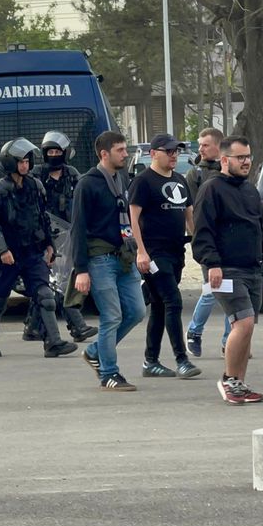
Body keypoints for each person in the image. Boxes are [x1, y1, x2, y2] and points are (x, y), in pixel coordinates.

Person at [193, 136, 263, 404]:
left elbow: (259, 228)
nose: (246, 162)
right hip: (226, 269)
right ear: (224, 160)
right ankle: (229, 380)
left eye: (248, 156)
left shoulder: (249, 190)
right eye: (240, 157)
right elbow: (202, 231)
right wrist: (212, 263)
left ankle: (239, 383)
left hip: (252, 269)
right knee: (242, 323)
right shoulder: (211, 189)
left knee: (247, 327)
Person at [0, 138, 77, 359]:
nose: (24, 165)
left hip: (32, 253)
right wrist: (3, 250)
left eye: (26, 161)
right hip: (9, 255)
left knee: (46, 296)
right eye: (20, 161)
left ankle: (53, 342)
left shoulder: (35, 186)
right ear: (10, 163)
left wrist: (49, 245)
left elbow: (43, 218)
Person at [70, 131, 145, 391]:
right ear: (104, 154)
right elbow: (77, 228)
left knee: (136, 311)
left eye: (125, 149)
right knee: (112, 316)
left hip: (124, 256)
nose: (125, 154)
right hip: (99, 259)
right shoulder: (87, 184)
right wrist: (81, 269)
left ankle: (94, 351)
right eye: (120, 150)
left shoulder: (121, 178)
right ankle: (109, 373)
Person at [128, 133, 201, 379]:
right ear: (153, 153)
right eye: (168, 151)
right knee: (173, 300)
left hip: (175, 252)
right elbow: (133, 219)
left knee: (159, 306)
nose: (173, 155)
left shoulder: (180, 180)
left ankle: (150, 361)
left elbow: (189, 216)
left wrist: (200, 245)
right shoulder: (143, 181)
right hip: (153, 254)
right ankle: (182, 360)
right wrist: (141, 251)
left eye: (176, 151)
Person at [30, 130, 97, 342]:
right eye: (50, 151)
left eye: (57, 151)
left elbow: (84, 199)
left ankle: (32, 327)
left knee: (55, 281)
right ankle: (77, 326)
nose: (53, 155)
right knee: (54, 282)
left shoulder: (72, 174)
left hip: (68, 234)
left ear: (65, 153)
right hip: (42, 235)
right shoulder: (36, 175)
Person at [185, 127, 231, 357]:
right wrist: (199, 241)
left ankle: (229, 341)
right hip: (208, 242)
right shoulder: (195, 175)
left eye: (205, 145)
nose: (200, 149)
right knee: (212, 290)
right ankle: (194, 332)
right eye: (200, 144)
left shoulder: (229, 170)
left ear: (218, 147)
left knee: (233, 292)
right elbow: (191, 212)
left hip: (230, 241)